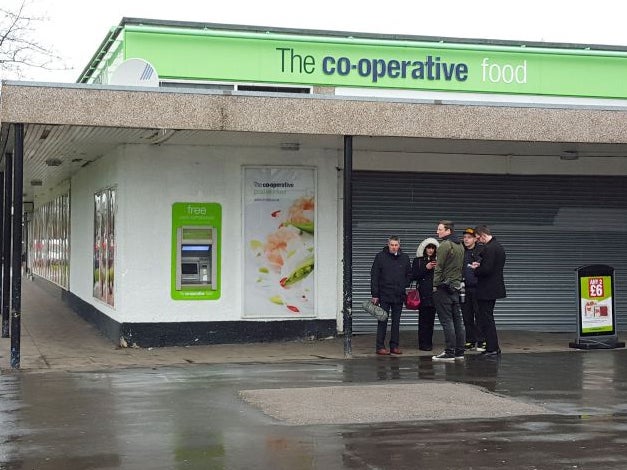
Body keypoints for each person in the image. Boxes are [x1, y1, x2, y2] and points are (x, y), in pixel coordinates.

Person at [370, 236, 412, 355]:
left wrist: (404, 284)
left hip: (398, 295)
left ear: (399, 245)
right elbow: (374, 276)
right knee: (382, 320)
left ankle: (394, 346)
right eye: (392, 245)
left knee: (396, 322)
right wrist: (375, 294)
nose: (394, 247)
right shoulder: (380, 257)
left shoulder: (405, 258)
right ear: (388, 244)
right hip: (384, 295)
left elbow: (409, 274)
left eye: (396, 245)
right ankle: (380, 347)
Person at [431, 220, 466, 361]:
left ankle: (449, 352)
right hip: (455, 287)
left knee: (447, 321)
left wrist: (435, 285)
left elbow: (439, 267)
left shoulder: (444, 245)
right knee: (457, 320)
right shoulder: (460, 245)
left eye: (440, 229)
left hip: (443, 288)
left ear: (448, 231)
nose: (437, 232)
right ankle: (460, 351)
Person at [470, 224, 506, 357]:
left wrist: (476, 269)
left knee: (486, 318)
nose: (478, 241)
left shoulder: (490, 248)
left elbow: (487, 269)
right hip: (493, 288)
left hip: (487, 289)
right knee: (487, 317)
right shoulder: (498, 247)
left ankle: (492, 348)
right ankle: (492, 347)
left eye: (478, 239)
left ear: (483, 235)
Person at [411, 237, 439, 351]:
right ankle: (423, 343)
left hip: (435, 294)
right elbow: (413, 276)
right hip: (423, 293)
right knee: (423, 320)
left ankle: (429, 342)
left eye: (432, 248)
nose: (430, 250)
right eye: (428, 248)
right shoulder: (418, 261)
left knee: (431, 320)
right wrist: (426, 268)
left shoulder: (438, 261)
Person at [460, 227, 486, 352]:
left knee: (479, 315)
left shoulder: (481, 251)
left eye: (469, 237)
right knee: (467, 315)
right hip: (464, 288)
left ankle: (482, 341)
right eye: (465, 237)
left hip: (478, 287)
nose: (466, 240)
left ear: (475, 239)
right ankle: (470, 340)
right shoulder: (461, 251)